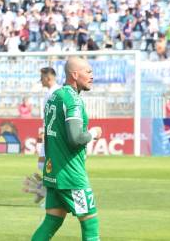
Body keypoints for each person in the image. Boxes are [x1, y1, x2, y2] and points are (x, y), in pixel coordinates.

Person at [31, 57, 102, 241]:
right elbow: (76, 138)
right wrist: (94, 132)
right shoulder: (73, 101)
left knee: (51, 222)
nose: (92, 76)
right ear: (74, 74)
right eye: (88, 72)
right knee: (90, 224)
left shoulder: (54, 96)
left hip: (53, 171)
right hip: (71, 176)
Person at [23, 67, 61, 204]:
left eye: (42, 77)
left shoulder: (57, 92)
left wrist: (51, 132)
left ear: (48, 77)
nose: (40, 81)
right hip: (47, 132)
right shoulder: (49, 93)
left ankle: (50, 193)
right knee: (42, 164)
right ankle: (47, 189)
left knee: (49, 164)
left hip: (53, 135)